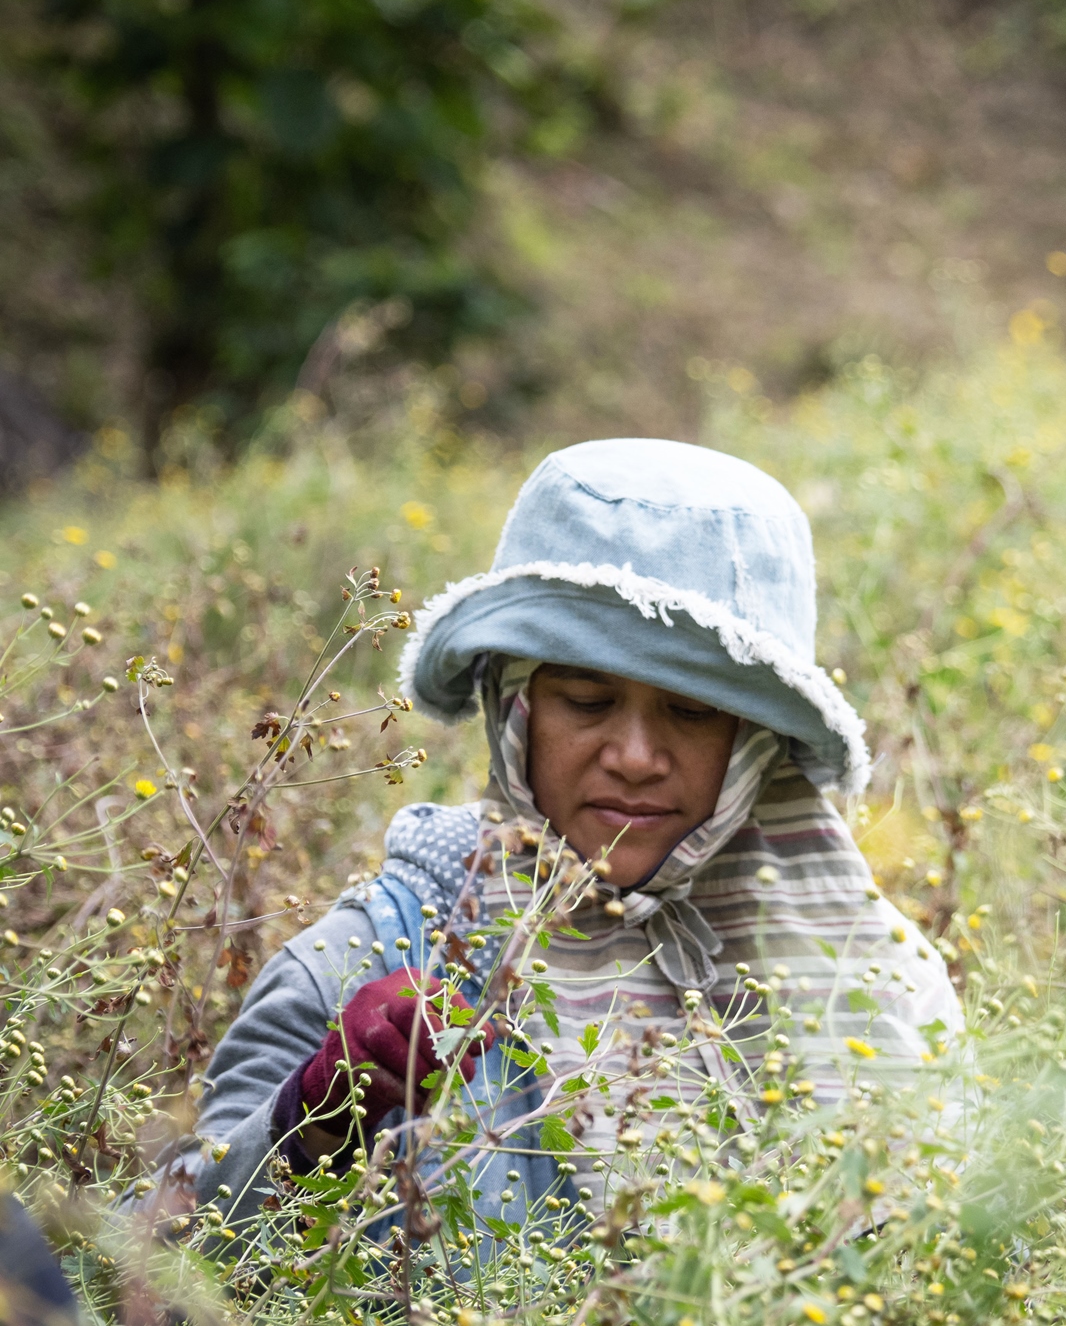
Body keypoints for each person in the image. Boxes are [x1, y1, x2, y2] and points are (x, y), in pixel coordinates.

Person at [166, 439, 961, 1241]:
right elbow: (162, 1257)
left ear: (755, 742)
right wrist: (312, 1123)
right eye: (587, 700)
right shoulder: (369, 956)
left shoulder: (883, 985)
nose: (636, 758)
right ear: (515, 708)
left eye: (692, 712)